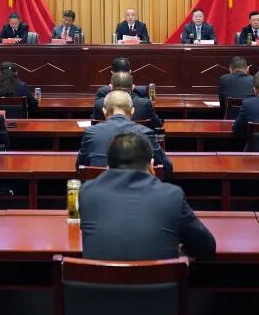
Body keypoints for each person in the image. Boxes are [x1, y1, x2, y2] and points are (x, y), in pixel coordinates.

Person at [80, 132, 215, 260]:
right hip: (160, 277)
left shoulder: (87, 193)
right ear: (151, 165)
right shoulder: (171, 195)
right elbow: (207, 247)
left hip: (100, 277)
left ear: (107, 167)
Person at [77, 90, 173, 174]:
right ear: (132, 111)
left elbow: (79, 167)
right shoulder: (146, 133)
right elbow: (167, 167)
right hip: (136, 189)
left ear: (104, 111)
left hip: (98, 189)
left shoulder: (91, 132)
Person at [90, 71, 162, 129]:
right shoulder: (145, 103)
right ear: (132, 87)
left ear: (111, 87)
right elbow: (157, 124)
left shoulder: (100, 104)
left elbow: (94, 124)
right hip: (137, 142)